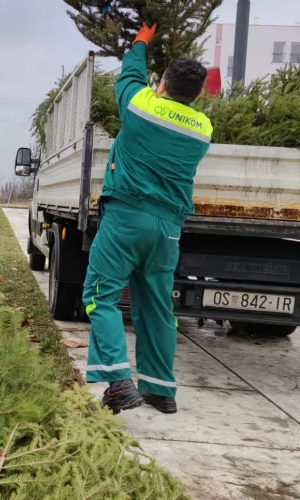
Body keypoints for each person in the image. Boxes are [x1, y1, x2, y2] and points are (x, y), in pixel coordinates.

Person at [83, 23, 212, 415]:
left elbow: (130, 74)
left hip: (126, 218)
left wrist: (141, 40)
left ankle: (119, 382)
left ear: (162, 84)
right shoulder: (202, 129)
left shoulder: (140, 106)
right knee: (156, 306)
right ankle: (161, 390)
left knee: (99, 296)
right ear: (199, 93)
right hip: (168, 230)